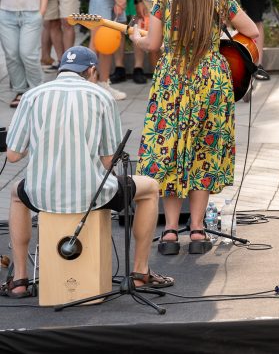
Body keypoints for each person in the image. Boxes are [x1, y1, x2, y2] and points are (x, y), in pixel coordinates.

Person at [4, 46, 174, 298]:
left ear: (61, 69)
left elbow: (13, 155)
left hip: (42, 195)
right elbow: (108, 161)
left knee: (16, 194)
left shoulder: (32, 96)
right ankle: (140, 272)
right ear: (92, 71)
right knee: (149, 188)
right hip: (92, 195)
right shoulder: (101, 96)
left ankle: (19, 279)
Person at [131, 0, 260, 256]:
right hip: (211, 81)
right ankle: (199, 230)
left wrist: (134, 34)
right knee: (203, 151)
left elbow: (152, 45)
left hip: (174, 80)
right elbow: (252, 31)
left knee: (172, 153)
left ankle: (172, 231)